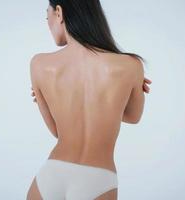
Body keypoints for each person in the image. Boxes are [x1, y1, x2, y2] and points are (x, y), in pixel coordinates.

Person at [27, 0, 152, 199]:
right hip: (98, 178)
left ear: (59, 12)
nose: (48, 23)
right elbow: (133, 116)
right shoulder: (131, 65)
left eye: (47, 16)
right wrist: (122, 91)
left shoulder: (39, 64)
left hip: (51, 175)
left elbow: (58, 132)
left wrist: (49, 102)